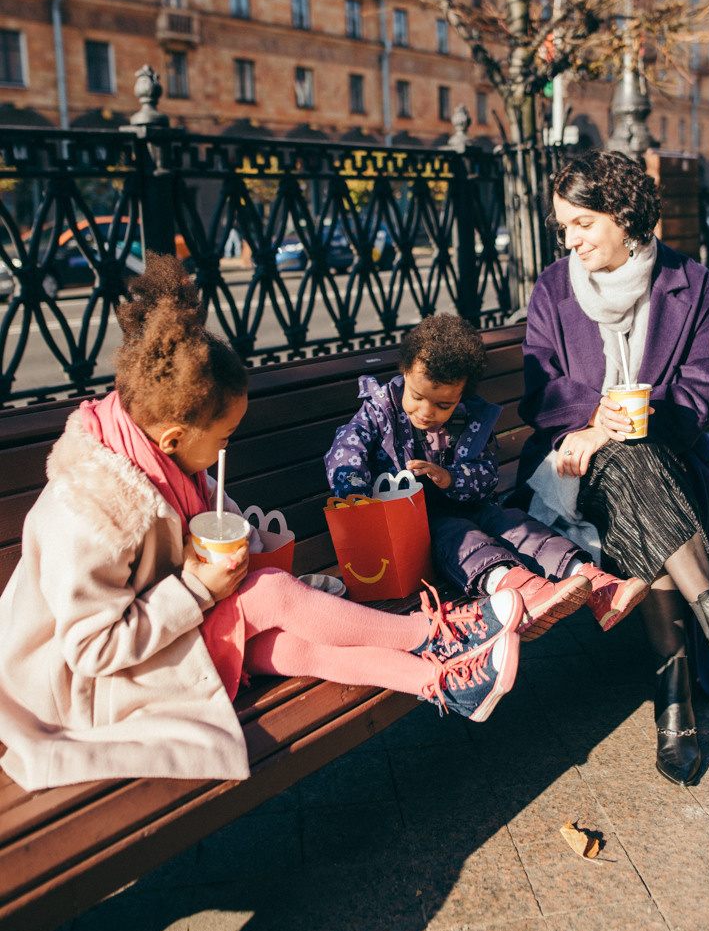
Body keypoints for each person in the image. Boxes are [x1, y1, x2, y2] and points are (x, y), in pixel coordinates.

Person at [0, 258, 525, 793]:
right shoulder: (90, 512)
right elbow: (93, 650)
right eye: (224, 438)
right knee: (269, 594)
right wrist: (197, 589)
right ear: (175, 437)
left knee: (280, 642)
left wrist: (252, 555)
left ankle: (440, 680)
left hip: (165, 638)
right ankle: (438, 634)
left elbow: (204, 527)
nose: (224, 450)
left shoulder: (158, 452)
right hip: (84, 687)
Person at [518, 150, 709, 787]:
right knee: (632, 469)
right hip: (572, 468)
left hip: (663, 454)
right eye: (563, 226)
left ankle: (675, 697)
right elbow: (539, 390)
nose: (570, 240)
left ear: (623, 215)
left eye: (582, 223)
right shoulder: (554, 287)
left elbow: (702, 389)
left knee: (639, 467)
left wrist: (637, 422)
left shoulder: (690, 282)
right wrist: (592, 420)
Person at [326, 314, 648, 640]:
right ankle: (519, 590)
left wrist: (450, 478)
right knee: (460, 536)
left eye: (442, 404)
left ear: (461, 397)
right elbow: (346, 449)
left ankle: (594, 583)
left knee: (512, 523)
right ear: (405, 372)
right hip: (414, 527)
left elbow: (486, 473)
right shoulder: (380, 411)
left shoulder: (469, 420)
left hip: (470, 504)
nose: (426, 412)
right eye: (417, 397)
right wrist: (357, 495)